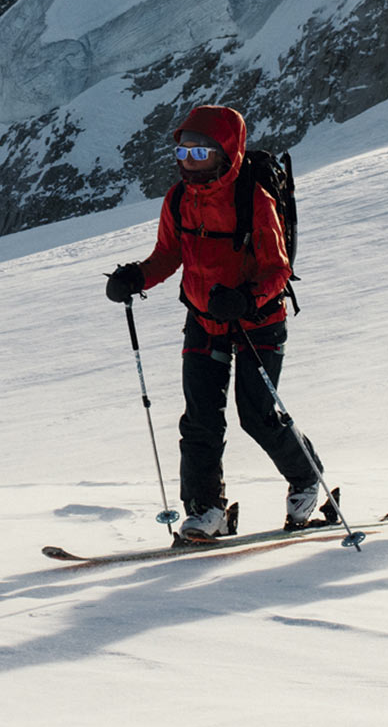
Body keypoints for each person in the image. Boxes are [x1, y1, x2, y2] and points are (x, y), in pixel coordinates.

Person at [104, 104, 327, 537]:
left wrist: (245, 299)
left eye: (200, 155)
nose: (190, 164)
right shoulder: (178, 199)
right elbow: (169, 255)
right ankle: (207, 509)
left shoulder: (253, 199)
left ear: (227, 153)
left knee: (257, 414)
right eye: (183, 154)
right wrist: (135, 276)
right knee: (201, 418)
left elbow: (278, 270)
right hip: (204, 320)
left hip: (257, 321)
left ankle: (306, 479)